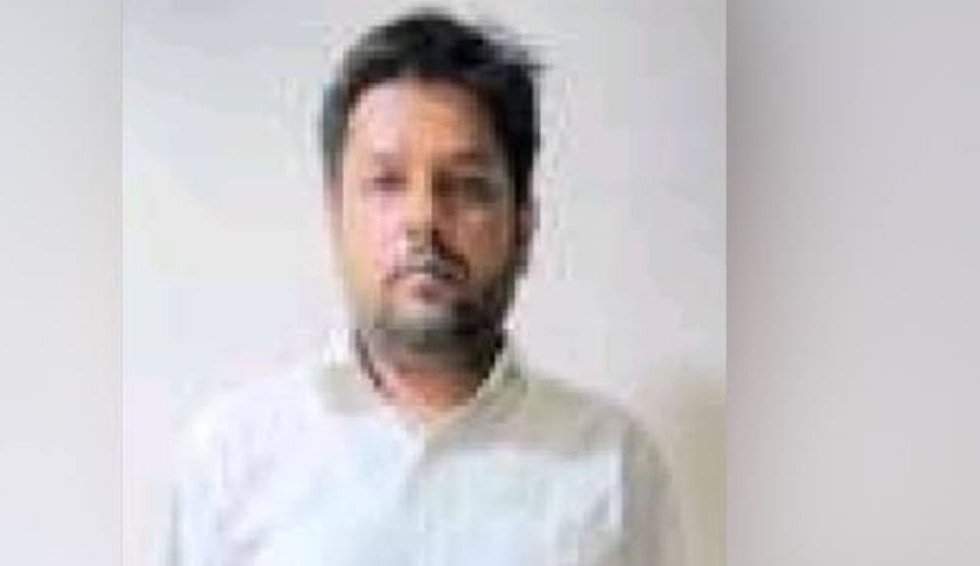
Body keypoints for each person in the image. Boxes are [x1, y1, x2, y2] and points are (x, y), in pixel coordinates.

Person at [168, 8, 685, 566]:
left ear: (523, 226)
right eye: (387, 182)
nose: (423, 218)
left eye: (466, 185)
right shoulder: (230, 457)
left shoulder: (616, 466)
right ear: (335, 217)